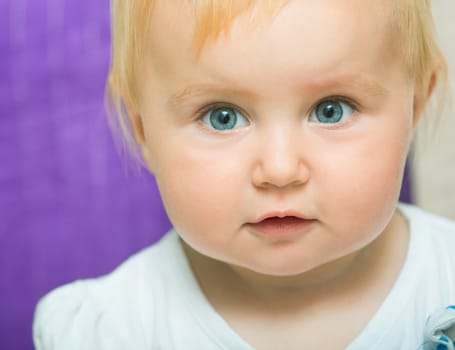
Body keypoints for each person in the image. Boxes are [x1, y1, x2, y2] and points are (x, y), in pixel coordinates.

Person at [33, 0, 455, 349]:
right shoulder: (113, 331)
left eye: (331, 109)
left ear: (414, 105)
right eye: (222, 117)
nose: (279, 169)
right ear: (144, 130)